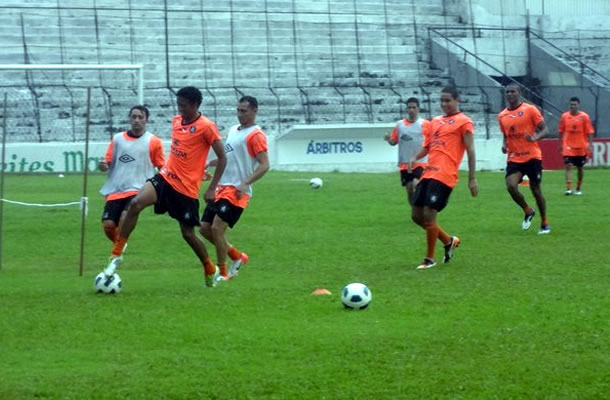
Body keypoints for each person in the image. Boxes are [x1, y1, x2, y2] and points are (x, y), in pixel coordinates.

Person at [102, 86, 227, 288]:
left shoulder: (207, 127)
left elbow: (222, 157)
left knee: (188, 234)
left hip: (186, 189)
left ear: (195, 105)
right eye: (178, 105)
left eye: (184, 106)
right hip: (166, 177)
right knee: (135, 204)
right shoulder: (176, 121)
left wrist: (212, 187)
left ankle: (209, 267)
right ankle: (117, 254)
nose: (180, 110)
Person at [199, 96, 269, 280]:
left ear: (255, 111)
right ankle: (237, 257)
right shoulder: (233, 130)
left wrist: (245, 183)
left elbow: (264, 165)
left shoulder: (256, 135)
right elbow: (229, 158)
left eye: (244, 111)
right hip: (222, 187)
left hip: (237, 191)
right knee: (204, 228)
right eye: (238, 110)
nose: (240, 114)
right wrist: (210, 163)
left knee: (216, 229)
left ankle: (222, 273)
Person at [409, 86, 478, 270]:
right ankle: (448, 241)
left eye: (448, 100)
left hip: (445, 174)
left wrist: (472, 178)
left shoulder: (464, 122)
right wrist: (415, 158)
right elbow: (428, 146)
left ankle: (429, 259)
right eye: (442, 101)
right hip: (428, 172)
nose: (444, 104)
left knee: (430, 215)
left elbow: (470, 150)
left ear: (457, 100)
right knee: (416, 216)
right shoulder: (435, 122)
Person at [98, 105, 165, 247]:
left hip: (139, 189)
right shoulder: (117, 139)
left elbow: (161, 166)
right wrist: (104, 165)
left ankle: (116, 255)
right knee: (108, 225)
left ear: (146, 120)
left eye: (140, 117)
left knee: (124, 218)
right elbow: (108, 161)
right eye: (134, 117)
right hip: (116, 189)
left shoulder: (154, 141)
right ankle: (120, 246)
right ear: (129, 119)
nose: (137, 120)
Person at [498, 83, 550, 234]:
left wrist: (534, 138)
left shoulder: (530, 109)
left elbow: (545, 130)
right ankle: (528, 210)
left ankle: (544, 222)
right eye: (507, 92)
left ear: (519, 93)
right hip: (514, 158)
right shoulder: (502, 116)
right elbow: (505, 134)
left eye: (513, 91)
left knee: (535, 189)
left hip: (532, 156)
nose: (510, 94)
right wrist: (504, 144)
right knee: (511, 186)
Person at [384, 97, 430, 204]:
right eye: (409, 107)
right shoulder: (400, 125)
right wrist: (388, 139)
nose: (411, 110)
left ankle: (422, 205)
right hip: (405, 163)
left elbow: (431, 141)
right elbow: (393, 142)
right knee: (409, 189)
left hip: (420, 162)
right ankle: (414, 210)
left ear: (418, 109)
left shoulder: (425, 124)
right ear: (406, 109)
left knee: (416, 184)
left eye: (414, 107)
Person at [558, 96, 595, 195]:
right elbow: (561, 131)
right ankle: (569, 188)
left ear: (578, 105)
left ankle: (578, 188)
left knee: (580, 168)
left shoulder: (584, 117)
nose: (573, 106)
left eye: (575, 104)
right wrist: (560, 143)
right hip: (568, 146)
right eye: (571, 105)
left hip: (581, 147)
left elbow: (590, 132)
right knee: (568, 166)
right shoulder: (565, 116)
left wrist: (590, 145)